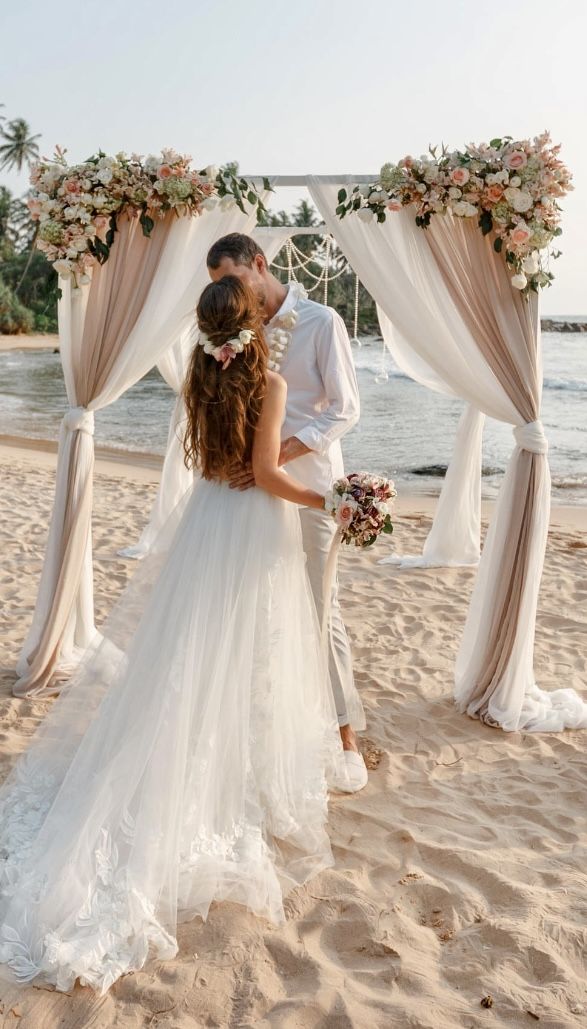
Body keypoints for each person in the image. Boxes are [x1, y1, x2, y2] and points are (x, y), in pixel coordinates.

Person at [0, 278, 349, 995]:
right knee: (248, 651)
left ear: (207, 330)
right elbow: (264, 473)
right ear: (253, 325)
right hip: (251, 530)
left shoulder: (197, 377)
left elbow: (215, 466)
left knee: (190, 654)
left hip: (206, 524)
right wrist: (328, 497)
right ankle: (231, 775)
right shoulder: (273, 383)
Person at [207, 233, 367, 791]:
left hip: (308, 481)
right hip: (249, 490)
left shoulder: (321, 322)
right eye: (220, 287)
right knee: (256, 607)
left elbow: (344, 410)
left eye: (234, 280)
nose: (231, 292)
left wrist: (276, 455)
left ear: (260, 264)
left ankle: (345, 733)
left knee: (321, 610)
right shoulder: (235, 330)